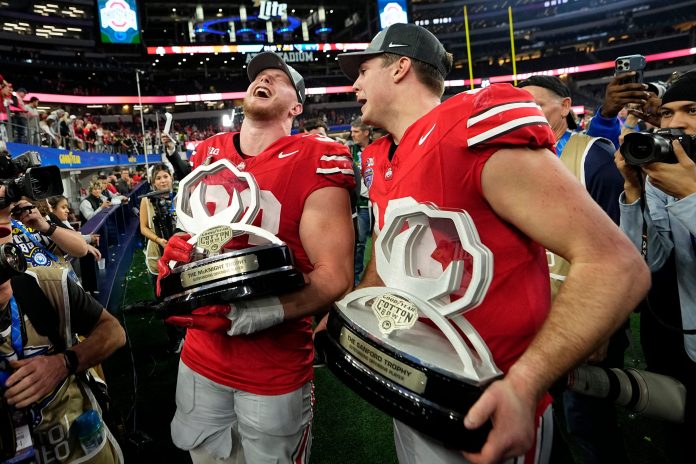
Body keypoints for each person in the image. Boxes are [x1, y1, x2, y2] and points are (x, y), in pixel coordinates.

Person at [336, 23, 650, 464]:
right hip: (418, 380)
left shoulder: (468, 126)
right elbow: (388, 251)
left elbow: (616, 263)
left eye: (363, 70)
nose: (354, 84)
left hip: (485, 397)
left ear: (400, 67)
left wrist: (524, 385)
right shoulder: (385, 155)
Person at [158, 52, 355, 463]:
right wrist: (176, 264)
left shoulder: (318, 157)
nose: (262, 79)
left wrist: (254, 314)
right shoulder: (208, 152)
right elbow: (196, 237)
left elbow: (335, 277)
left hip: (272, 367)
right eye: (258, 76)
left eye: (277, 78)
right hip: (199, 356)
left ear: (296, 105)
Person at [518, 75, 629, 463]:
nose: (525, 113)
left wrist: (603, 325)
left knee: (587, 421)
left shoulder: (592, 155)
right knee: (547, 421)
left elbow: (621, 248)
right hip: (534, 317)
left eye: (535, 103)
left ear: (565, 106)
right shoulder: (520, 159)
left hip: (584, 315)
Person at [0, 187, 126, 463]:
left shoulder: (29, 231)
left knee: (91, 386)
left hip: (58, 316)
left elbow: (80, 249)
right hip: (21, 328)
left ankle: (110, 421)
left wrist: (42, 223)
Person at [615, 70, 696, 463]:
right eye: (665, 113)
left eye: (692, 110)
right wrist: (633, 191)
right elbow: (649, 262)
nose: (675, 123)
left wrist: (692, 196)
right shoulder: (664, 174)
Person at [140, 164, 183, 354]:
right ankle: (175, 339)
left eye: (165, 176)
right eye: (158, 178)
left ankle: (190, 336)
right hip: (157, 257)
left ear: (171, 177)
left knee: (184, 296)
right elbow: (143, 228)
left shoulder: (181, 196)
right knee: (163, 299)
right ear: (152, 182)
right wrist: (160, 241)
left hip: (182, 256)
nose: (163, 180)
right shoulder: (147, 201)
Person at [349, 117, 372, 285]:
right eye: (351, 132)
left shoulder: (378, 148)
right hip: (362, 205)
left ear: (366, 132)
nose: (353, 135)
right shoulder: (349, 150)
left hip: (379, 204)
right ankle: (356, 281)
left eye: (356, 132)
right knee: (359, 244)